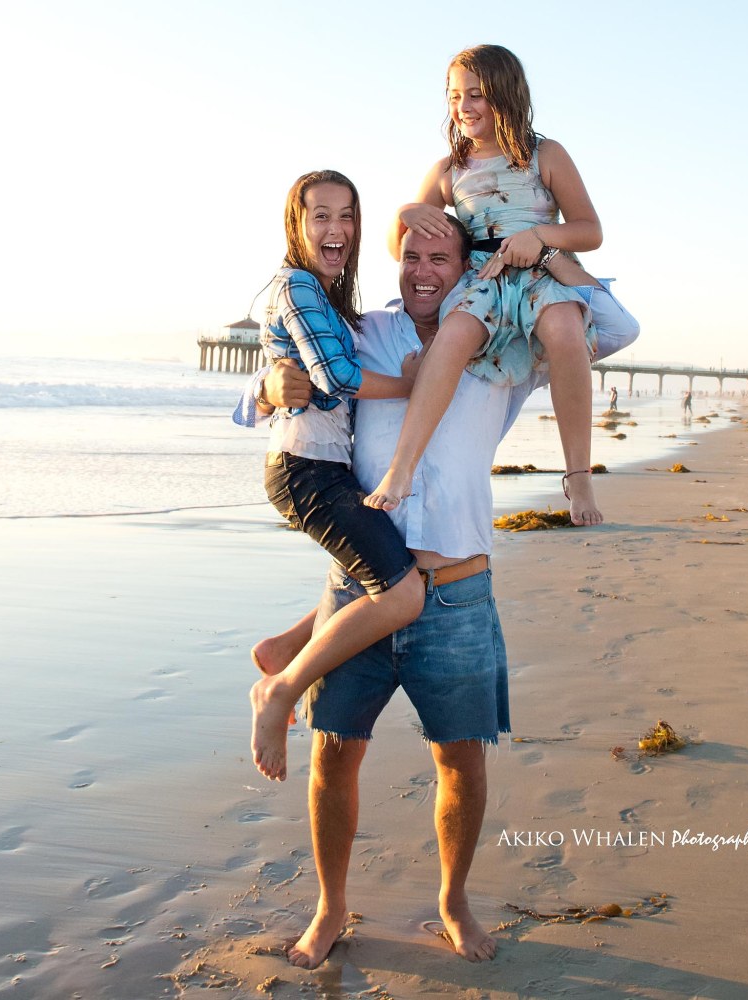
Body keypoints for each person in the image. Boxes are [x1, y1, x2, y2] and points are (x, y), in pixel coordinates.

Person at [241, 219, 639, 968]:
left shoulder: (504, 348)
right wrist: (263, 390)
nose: (423, 271)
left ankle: (453, 901)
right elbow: (280, 381)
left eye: (440, 258)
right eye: (412, 257)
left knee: (463, 763)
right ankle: (329, 907)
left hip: (457, 593)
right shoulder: (363, 334)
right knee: (333, 755)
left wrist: (545, 251)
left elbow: (613, 329)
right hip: (362, 590)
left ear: (468, 268)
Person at [364, 44, 620, 527]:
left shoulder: (545, 154)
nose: (463, 107)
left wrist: (539, 236)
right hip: (483, 276)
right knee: (453, 336)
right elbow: (400, 247)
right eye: (454, 95)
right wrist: (404, 214)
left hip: (543, 271)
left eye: (476, 95)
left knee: (565, 330)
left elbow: (590, 230)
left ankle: (578, 473)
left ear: (506, 94)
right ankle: (402, 468)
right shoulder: (447, 170)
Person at [247, 170, 426, 783]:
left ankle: (284, 648)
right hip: (305, 471)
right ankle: (281, 689)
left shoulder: (327, 298)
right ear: (297, 227)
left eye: (347, 215)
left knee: (366, 570)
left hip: (324, 467)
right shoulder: (297, 286)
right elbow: (336, 377)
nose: (337, 228)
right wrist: (419, 386)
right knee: (402, 593)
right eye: (321, 215)